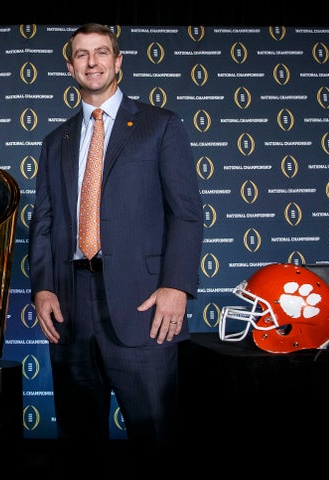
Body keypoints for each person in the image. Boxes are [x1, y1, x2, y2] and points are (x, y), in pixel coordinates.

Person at [28, 23, 204, 472]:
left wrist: (176, 287)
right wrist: (43, 288)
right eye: (82, 54)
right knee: (79, 440)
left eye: (101, 52)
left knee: (157, 438)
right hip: (70, 305)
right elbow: (44, 222)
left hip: (145, 303)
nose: (92, 62)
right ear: (70, 67)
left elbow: (184, 213)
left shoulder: (160, 126)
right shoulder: (55, 142)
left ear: (118, 62)